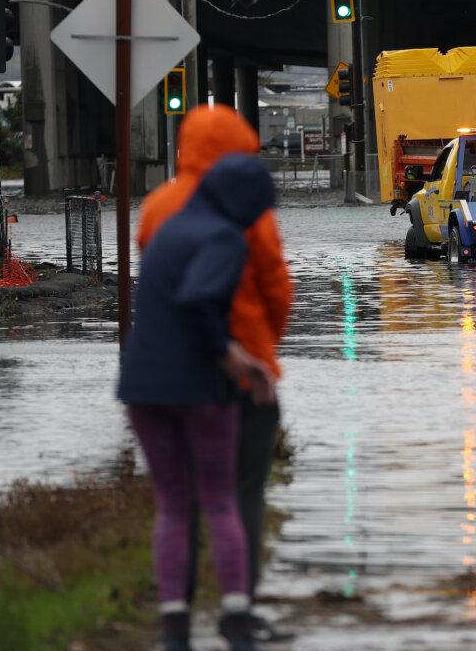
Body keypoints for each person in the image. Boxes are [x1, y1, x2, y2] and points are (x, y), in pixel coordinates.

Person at [138, 105, 294, 643]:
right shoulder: (247, 212)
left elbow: (156, 287)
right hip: (241, 369)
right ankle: (239, 611)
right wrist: (263, 349)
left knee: (176, 501)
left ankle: (176, 616)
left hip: (170, 370)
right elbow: (277, 288)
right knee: (240, 492)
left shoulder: (158, 207)